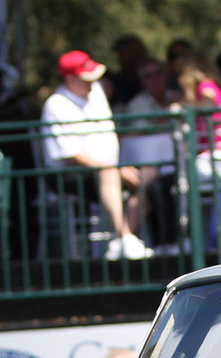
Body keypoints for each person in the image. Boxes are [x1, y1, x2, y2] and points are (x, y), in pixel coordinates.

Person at [40, 49, 151, 261]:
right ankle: (125, 236)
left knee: (148, 178)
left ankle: (122, 241)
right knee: (108, 173)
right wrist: (114, 169)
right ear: (70, 79)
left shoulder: (97, 90)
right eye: (86, 78)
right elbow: (69, 155)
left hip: (106, 168)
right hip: (69, 174)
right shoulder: (56, 104)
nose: (93, 82)